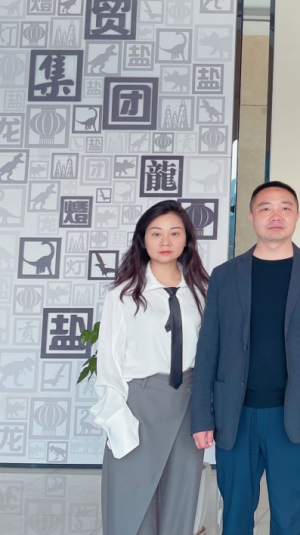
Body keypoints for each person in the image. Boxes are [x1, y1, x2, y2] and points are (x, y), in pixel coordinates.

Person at [190, 181, 300, 535]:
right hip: (234, 414)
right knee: (236, 514)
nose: (276, 215)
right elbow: (208, 348)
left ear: (297, 215)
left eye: (285, 208)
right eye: (266, 208)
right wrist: (201, 416)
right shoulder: (225, 275)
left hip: (293, 412)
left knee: (288, 515)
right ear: (251, 216)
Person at [93, 200, 209, 535]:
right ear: (142, 240)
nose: (165, 241)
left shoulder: (201, 292)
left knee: (181, 498)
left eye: (175, 233)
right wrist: (117, 418)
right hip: (139, 405)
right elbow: (109, 361)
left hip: (188, 403)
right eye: (156, 233)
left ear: (187, 239)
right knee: (131, 500)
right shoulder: (123, 295)